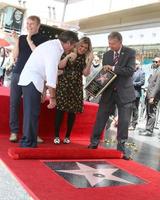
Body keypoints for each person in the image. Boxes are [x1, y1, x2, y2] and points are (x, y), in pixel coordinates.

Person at [18, 30, 79, 148]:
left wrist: (43, 91)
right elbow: (51, 75)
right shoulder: (54, 49)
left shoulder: (53, 46)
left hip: (33, 80)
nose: (72, 49)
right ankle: (27, 143)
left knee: (32, 113)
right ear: (68, 43)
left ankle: (29, 142)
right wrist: (52, 98)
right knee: (31, 113)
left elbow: (48, 72)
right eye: (73, 45)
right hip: (32, 80)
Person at [88, 31, 136, 160]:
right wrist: (94, 89)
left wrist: (114, 68)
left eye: (113, 43)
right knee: (100, 118)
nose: (110, 46)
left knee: (124, 122)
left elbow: (130, 71)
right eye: (109, 43)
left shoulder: (130, 53)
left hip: (125, 94)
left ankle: (121, 148)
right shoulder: (107, 54)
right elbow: (105, 74)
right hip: (108, 93)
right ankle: (93, 143)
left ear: (120, 42)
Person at [9, 15, 48, 143]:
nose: (28, 26)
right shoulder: (21, 38)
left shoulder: (43, 39)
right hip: (18, 73)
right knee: (14, 103)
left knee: (32, 106)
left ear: (38, 25)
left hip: (33, 76)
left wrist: (30, 39)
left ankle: (32, 133)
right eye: (27, 23)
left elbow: (40, 56)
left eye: (31, 24)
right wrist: (16, 41)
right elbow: (15, 56)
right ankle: (14, 131)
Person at [54, 37, 94, 144]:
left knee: (72, 113)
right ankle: (56, 135)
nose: (83, 49)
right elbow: (60, 66)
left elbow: (85, 73)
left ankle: (67, 136)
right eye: (81, 46)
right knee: (60, 111)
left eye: (85, 47)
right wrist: (67, 57)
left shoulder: (84, 57)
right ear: (77, 44)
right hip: (64, 85)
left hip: (76, 87)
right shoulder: (68, 52)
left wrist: (90, 61)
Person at [139, 57, 160, 136]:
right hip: (149, 94)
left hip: (153, 96)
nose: (154, 63)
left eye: (155, 62)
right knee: (148, 112)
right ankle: (147, 128)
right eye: (153, 61)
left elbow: (157, 85)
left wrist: (152, 96)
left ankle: (149, 130)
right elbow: (151, 82)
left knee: (151, 113)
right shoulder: (155, 70)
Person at [129, 60, 145, 130]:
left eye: (135, 64)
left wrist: (133, 83)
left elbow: (142, 82)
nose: (134, 65)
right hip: (128, 93)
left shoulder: (141, 72)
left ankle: (133, 124)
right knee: (128, 109)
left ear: (138, 65)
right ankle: (127, 124)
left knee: (135, 109)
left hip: (136, 94)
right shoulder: (131, 71)